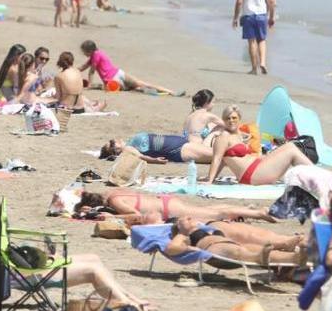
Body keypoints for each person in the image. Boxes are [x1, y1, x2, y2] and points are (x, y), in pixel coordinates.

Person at [0, 203, 151, 311]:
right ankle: (125, 304)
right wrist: (45, 260)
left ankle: (130, 298)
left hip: (35, 267)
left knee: (94, 257)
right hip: (36, 275)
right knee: (93, 270)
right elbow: (14, 268)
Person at [205, 106, 313, 186]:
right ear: (223, 120)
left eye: (234, 118)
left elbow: (224, 161)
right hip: (252, 175)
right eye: (228, 118)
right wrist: (209, 180)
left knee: (289, 146)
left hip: (257, 166)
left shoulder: (237, 135)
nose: (231, 121)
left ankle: (316, 175)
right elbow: (217, 158)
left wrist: (213, 177)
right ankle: (319, 176)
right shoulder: (223, 137)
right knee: (292, 151)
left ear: (239, 119)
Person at [167, 216, 304, 266]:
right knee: (242, 251)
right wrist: (189, 248)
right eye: (184, 219)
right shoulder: (183, 235)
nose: (190, 218)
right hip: (213, 249)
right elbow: (171, 249)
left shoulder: (207, 228)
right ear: (178, 226)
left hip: (229, 245)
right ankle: (257, 257)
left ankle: (295, 258)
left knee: (257, 249)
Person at [77, 189, 274, 223]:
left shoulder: (114, 201)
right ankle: (248, 211)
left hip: (168, 209)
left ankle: (258, 213)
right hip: (165, 201)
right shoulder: (113, 193)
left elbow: (135, 215)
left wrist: (112, 217)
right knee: (212, 210)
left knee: (216, 213)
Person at [79, 40, 173, 94]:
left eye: (84, 51)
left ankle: (141, 89)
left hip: (112, 80)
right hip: (119, 73)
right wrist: (71, 69)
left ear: (89, 50)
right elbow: (83, 67)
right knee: (141, 83)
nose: (83, 53)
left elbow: (91, 71)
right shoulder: (97, 54)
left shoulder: (95, 55)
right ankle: (169, 91)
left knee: (132, 87)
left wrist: (90, 85)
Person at [233, 0, 275, 75]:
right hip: (262, 15)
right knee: (262, 40)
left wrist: (235, 18)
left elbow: (239, 2)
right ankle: (263, 63)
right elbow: (271, 1)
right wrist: (271, 17)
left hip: (248, 16)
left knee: (251, 41)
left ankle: (254, 68)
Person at [100, 132, 213, 165]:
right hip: (176, 150)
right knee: (218, 156)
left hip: (178, 143)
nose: (114, 140)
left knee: (217, 155)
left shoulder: (130, 142)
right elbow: (141, 157)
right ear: (115, 152)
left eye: (111, 141)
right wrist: (155, 161)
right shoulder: (128, 149)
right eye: (112, 144)